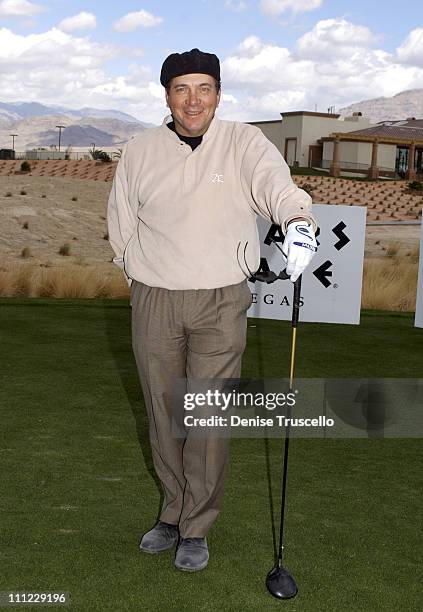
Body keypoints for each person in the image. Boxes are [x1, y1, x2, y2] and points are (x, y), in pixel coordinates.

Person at [107, 48, 317, 572]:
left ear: (218, 94)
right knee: (163, 415)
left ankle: (196, 526)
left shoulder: (243, 141)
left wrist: (297, 221)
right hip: (155, 298)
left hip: (222, 300)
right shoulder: (139, 150)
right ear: (167, 95)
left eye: (204, 88)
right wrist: (137, 274)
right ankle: (172, 513)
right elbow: (122, 220)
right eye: (182, 88)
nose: (193, 99)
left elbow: (276, 186)